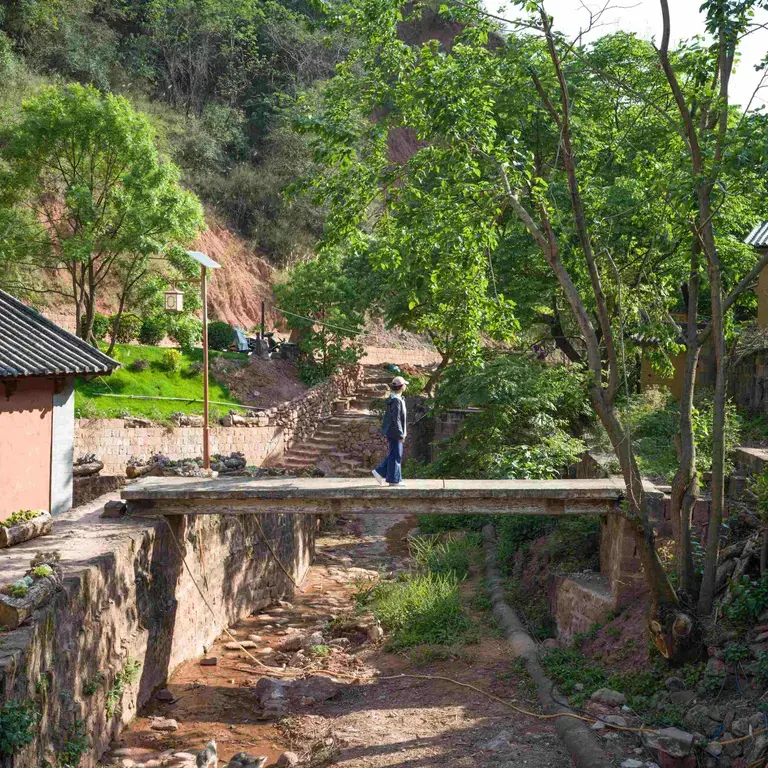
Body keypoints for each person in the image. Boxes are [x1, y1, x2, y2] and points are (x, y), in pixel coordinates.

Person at [372, 376, 407, 486]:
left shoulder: (396, 399)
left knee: (395, 454)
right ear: (402, 387)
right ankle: (393, 480)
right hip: (395, 432)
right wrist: (400, 434)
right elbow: (396, 419)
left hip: (393, 431)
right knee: (396, 455)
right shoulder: (396, 400)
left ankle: (382, 473)